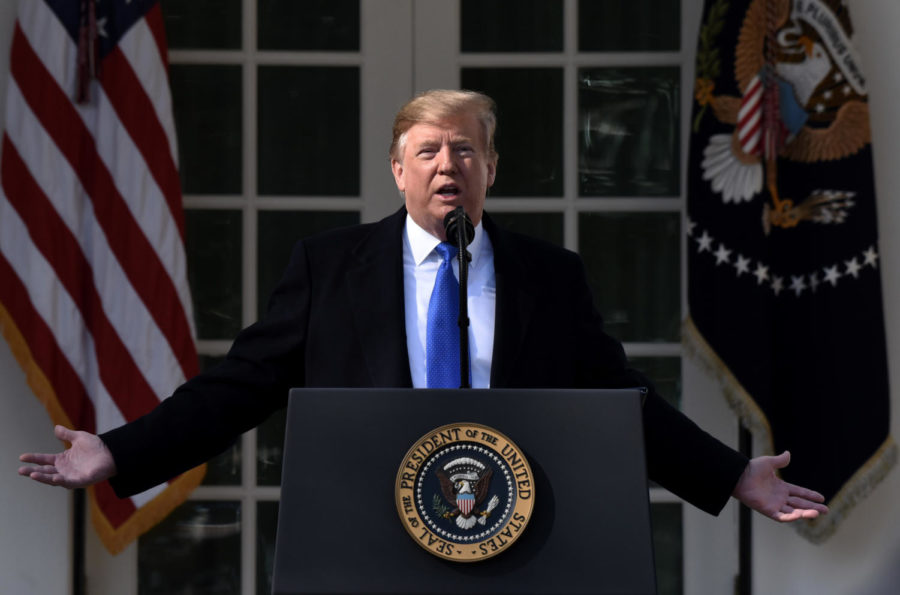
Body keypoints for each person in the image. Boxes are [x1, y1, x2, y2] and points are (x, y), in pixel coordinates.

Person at [19, 89, 827, 523]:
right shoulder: (330, 268)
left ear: (491, 170)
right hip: (368, 530)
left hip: (512, 534)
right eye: (430, 151)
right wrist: (120, 452)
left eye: (466, 149)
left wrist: (730, 475)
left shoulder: (548, 276)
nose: (449, 165)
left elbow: (624, 402)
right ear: (399, 172)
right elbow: (238, 388)